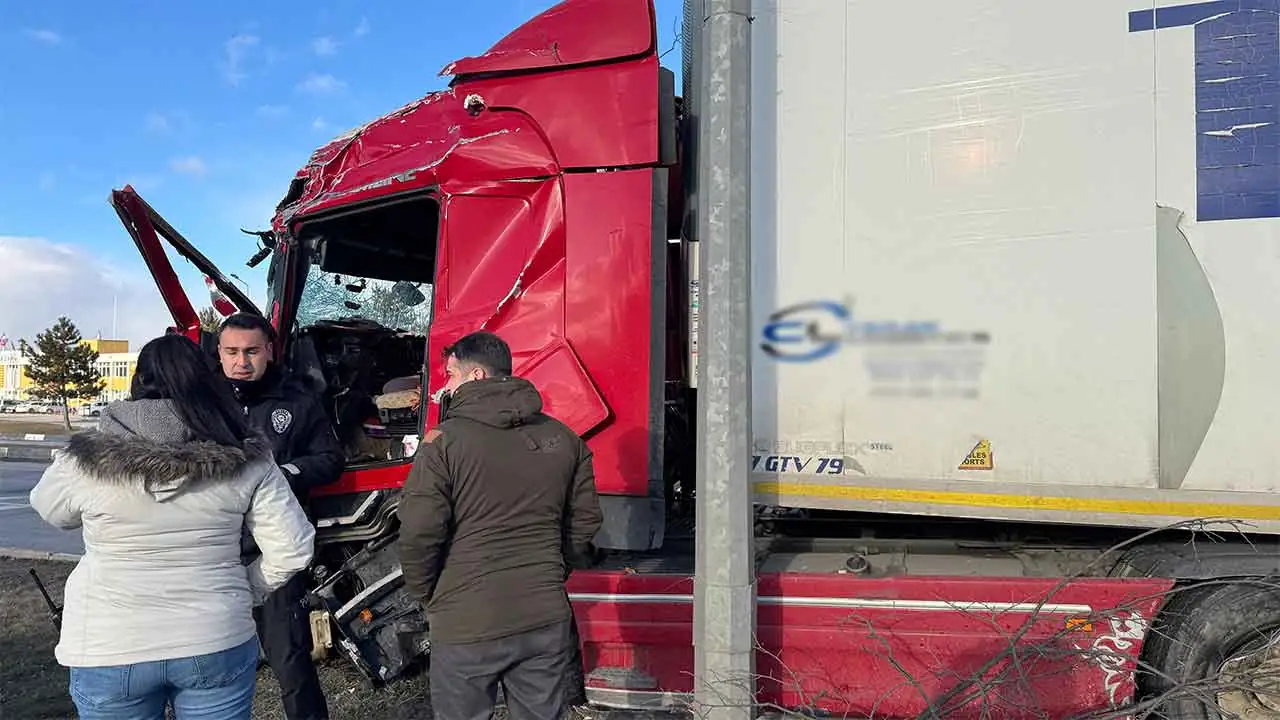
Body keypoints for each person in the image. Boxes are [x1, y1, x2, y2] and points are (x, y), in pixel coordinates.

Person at [29, 333, 316, 720]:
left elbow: (51, 510)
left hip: (110, 642)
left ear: (137, 381)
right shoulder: (247, 454)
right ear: (206, 379)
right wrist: (244, 588)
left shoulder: (86, 456)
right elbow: (293, 548)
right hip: (215, 635)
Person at [397, 330, 603, 720]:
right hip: (544, 616)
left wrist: (428, 593)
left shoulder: (442, 442)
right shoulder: (565, 439)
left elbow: (420, 531)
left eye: (451, 375)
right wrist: (552, 573)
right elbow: (583, 525)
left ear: (475, 376)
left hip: (466, 622)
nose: (446, 386)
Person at [217, 312, 345, 720]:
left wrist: (285, 474)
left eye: (252, 351)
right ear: (219, 353)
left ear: (269, 351)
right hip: (214, 550)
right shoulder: (203, 402)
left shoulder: (297, 399)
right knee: (208, 660)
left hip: (272, 554)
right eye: (232, 351)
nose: (242, 361)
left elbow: (330, 459)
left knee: (289, 657)